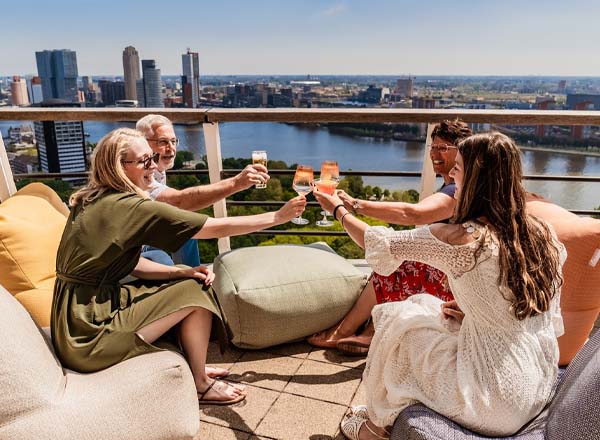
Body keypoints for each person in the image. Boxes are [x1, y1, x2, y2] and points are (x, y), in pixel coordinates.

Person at [314, 132, 565, 439]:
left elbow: (378, 243)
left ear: (476, 178)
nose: (452, 174)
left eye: (458, 167)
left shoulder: (463, 239)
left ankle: (373, 428)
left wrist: (338, 210)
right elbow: (539, 310)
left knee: (402, 324)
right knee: (425, 305)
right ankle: (386, 413)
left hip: (492, 399)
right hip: (533, 383)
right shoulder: (540, 233)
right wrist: (478, 311)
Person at [51, 128, 306, 405]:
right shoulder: (132, 208)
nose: (154, 166)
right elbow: (213, 227)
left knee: (186, 281)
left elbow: (129, 262)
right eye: (144, 161)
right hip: (89, 335)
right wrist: (277, 217)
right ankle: (200, 383)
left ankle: (193, 364)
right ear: (118, 168)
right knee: (195, 292)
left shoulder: (89, 199)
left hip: (72, 319)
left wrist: (179, 271)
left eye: (153, 157)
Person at [308, 119, 473, 355]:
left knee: (398, 262)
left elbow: (411, 213)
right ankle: (369, 332)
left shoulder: (455, 192)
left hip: (454, 285)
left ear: (462, 153)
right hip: (452, 273)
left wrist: (352, 206)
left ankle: (351, 331)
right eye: (433, 147)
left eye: (443, 148)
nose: (435, 154)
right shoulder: (455, 186)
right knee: (399, 259)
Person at [135, 114, 270, 267]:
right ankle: (188, 279)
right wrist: (237, 183)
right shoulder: (140, 174)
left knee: (186, 227)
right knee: (177, 236)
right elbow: (178, 201)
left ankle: (192, 277)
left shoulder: (157, 168)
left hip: (147, 234)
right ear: (143, 144)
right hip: (135, 249)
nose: (171, 148)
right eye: (162, 142)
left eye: (173, 141)